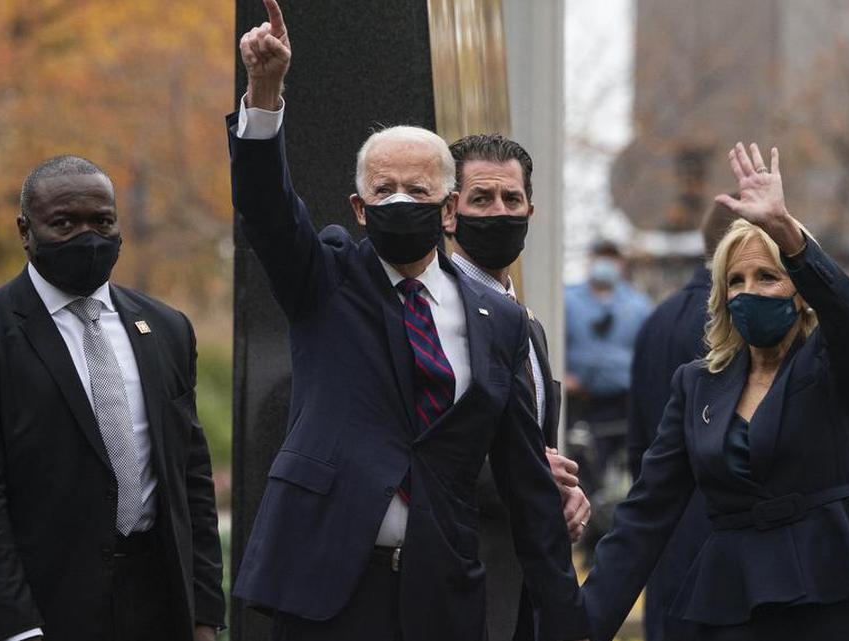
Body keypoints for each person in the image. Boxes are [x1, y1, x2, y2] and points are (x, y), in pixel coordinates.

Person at [228, 3, 586, 641]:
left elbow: (526, 484)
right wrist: (264, 90)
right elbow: (266, 209)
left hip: (441, 589)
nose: (399, 201)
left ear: (448, 208)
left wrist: (568, 620)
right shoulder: (328, 280)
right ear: (359, 209)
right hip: (327, 585)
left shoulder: (498, 322)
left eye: (416, 191)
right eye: (383, 189)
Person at [579, 142, 849, 641]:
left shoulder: (833, 365)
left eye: (767, 276)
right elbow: (645, 515)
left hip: (834, 593)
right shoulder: (698, 383)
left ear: (800, 291)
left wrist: (786, 231)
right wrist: (580, 624)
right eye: (735, 281)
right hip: (737, 601)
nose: (748, 291)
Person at [0, 156, 225, 641]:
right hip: (44, 608)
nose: (88, 236)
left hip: (159, 605)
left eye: (102, 221)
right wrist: (16, 629)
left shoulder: (167, 329)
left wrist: (204, 612)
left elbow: (190, 478)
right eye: (64, 223)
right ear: (25, 229)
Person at [446, 133, 592, 641]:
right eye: (481, 199)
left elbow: (538, 445)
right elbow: (415, 446)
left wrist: (566, 498)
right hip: (462, 585)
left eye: (512, 199)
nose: (499, 212)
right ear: (450, 211)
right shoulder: (430, 314)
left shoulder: (528, 324)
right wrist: (527, 478)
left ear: (532, 210)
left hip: (529, 588)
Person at [625, 198, 734, 641]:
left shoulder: (657, 318)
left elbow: (638, 437)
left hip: (663, 531)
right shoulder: (731, 323)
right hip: (718, 537)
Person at [564, 240, 651, 485]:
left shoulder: (638, 304)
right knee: (584, 470)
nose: (605, 264)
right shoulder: (566, 299)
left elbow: (646, 353)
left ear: (621, 264)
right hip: (581, 403)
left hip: (623, 403)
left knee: (628, 471)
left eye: (611, 258)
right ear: (590, 260)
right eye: (600, 257)